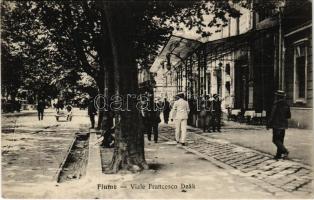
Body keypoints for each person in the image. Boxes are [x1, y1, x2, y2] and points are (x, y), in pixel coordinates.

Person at [267, 90, 291, 160]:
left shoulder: (276, 104)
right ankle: (278, 155)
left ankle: (285, 151)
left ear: (277, 96)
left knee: (275, 140)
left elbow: (272, 115)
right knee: (281, 140)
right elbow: (289, 116)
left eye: (276, 96)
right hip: (284, 125)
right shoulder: (286, 104)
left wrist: (269, 124)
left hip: (276, 125)